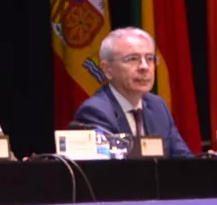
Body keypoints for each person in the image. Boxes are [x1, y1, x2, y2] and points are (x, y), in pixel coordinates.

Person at [68, 27, 193, 156]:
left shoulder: (158, 106)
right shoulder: (95, 112)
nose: (144, 67)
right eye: (133, 59)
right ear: (107, 69)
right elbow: (109, 166)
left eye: (150, 58)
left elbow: (183, 159)